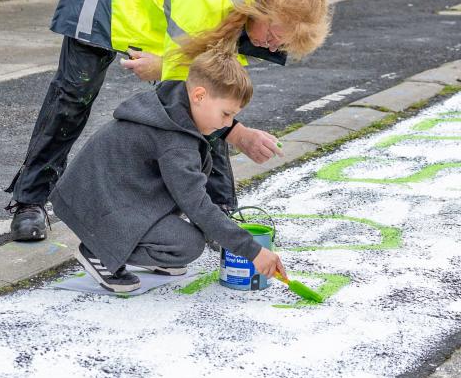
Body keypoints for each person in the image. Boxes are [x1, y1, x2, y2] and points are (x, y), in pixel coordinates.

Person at [6, 0, 331, 241]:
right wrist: (238, 133)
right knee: (75, 93)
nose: (273, 47)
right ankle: (29, 199)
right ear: (259, 8)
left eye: (284, 44)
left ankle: (219, 208)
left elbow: (215, 93)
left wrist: (167, 64)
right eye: (274, 35)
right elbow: (194, 96)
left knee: (210, 101)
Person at [51, 50, 288, 294]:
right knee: (188, 245)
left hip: (105, 192)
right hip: (95, 201)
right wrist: (253, 251)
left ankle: (121, 244)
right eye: (226, 114)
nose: (228, 125)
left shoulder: (175, 106)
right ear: (199, 95)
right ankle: (98, 249)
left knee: (185, 228)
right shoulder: (175, 141)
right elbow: (197, 205)